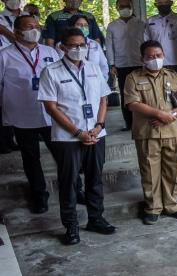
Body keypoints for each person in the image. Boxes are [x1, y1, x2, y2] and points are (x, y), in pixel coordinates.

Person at [38, 28, 116, 245]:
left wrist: (99, 126)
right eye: (73, 45)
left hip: (96, 134)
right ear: (62, 47)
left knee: (95, 179)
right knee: (69, 182)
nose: (78, 49)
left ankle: (96, 218)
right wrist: (78, 132)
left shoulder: (92, 68)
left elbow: (103, 99)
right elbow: (51, 108)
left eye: (82, 45)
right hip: (67, 138)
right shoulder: (51, 71)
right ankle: (71, 226)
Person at [124, 40, 177, 224]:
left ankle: (172, 206)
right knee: (150, 172)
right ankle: (153, 207)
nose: (155, 59)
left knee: (173, 170)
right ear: (142, 58)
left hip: (173, 130)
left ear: (164, 55)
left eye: (158, 56)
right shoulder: (133, 77)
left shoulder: (174, 76)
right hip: (148, 132)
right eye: (150, 56)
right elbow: (132, 103)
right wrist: (158, 114)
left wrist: (171, 114)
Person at [0, 15, 59, 213]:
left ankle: (76, 189)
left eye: (36, 26)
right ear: (17, 32)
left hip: (52, 115)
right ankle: (39, 195)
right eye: (29, 27)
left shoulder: (50, 52)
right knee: (31, 158)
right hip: (22, 115)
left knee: (63, 156)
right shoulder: (4, 55)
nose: (34, 30)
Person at [145, 0, 177, 134]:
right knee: (161, 95)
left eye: (165, 1)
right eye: (159, 2)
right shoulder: (150, 21)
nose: (162, 3)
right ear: (155, 4)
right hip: (157, 63)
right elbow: (146, 41)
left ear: (171, 2)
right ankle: (163, 119)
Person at [106, 0, 146, 131]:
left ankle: (142, 121)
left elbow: (147, 43)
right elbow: (109, 46)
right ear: (117, 8)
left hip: (139, 63)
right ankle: (129, 123)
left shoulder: (141, 24)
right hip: (121, 65)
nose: (125, 8)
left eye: (127, 6)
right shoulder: (112, 26)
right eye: (121, 6)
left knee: (142, 92)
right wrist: (112, 64)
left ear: (132, 7)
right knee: (125, 94)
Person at [0, 0, 27, 154]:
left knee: (19, 99)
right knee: (3, 102)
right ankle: (4, 140)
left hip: (22, 59)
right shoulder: (1, 17)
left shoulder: (27, 16)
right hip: (4, 58)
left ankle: (15, 137)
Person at [55, 15, 109, 80]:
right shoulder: (62, 45)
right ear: (71, 27)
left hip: (95, 81)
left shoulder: (95, 44)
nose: (83, 27)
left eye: (86, 25)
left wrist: (102, 81)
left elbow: (103, 65)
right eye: (79, 25)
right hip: (70, 80)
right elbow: (60, 65)